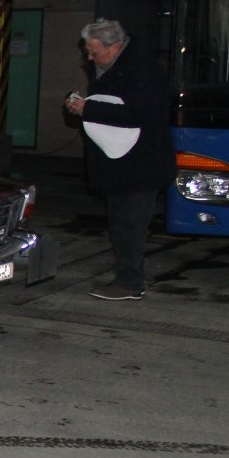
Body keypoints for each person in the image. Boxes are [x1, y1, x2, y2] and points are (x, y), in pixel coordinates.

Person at [63, 19, 175, 300]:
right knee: (120, 225)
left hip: (139, 163)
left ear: (114, 47)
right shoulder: (111, 66)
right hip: (117, 161)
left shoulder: (143, 70)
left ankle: (130, 283)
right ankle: (127, 279)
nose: (89, 58)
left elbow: (138, 113)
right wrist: (78, 106)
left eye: (94, 52)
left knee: (130, 227)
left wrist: (88, 109)